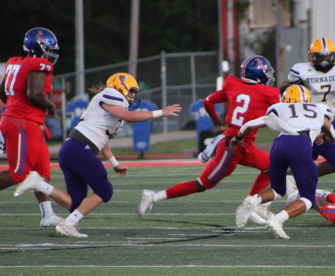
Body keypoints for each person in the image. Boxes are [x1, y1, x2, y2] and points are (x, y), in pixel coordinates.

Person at [14, 73, 181, 237]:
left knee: (78, 203)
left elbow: (103, 140)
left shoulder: (110, 105)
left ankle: (39, 184)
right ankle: (69, 224)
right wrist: (161, 112)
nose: (132, 95)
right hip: (79, 148)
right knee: (105, 190)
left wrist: (114, 163)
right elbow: (127, 115)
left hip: (73, 149)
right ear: (119, 86)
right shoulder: (111, 94)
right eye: (130, 90)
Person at [137, 55, 281, 218]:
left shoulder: (232, 84)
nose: (269, 77)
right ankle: (154, 196)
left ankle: (251, 203)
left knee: (272, 167)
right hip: (232, 147)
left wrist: (215, 120)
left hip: (242, 145)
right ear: (259, 75)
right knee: (202, 184)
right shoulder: (269, 93)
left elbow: (207, 101)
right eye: (267, 73)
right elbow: (283, 110)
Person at [234, 85, 335, 239]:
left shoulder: (280, 107)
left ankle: (253, 200)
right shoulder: (319, 108)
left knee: (277, 189)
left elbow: (250, 125)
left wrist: (237, 138)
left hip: (279, 144)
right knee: (307, 198)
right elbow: (331, 131)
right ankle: (277, 220)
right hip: (300, 143)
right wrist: (327, 137)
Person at [281, 37, 335, 199]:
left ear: (334, 56)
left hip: (325, 120)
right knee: (324, 160)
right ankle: (292, 178)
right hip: (308, 121)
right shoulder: (302, 70)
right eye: (319, 57)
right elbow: (284, 91)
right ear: (311, 57)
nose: (323, 61)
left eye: (326, 56)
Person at [0, 27, 62, 227]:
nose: (51, 56)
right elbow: (34, 94)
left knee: (41, 171)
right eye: (49, 50)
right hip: (22, 122)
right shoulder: (40, 63)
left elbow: (2, 91)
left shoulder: (14, 62)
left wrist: (12, 107)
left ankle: (48, 215)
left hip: (24, 121)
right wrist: (51, 106)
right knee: (20, 173)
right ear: (39, 47)